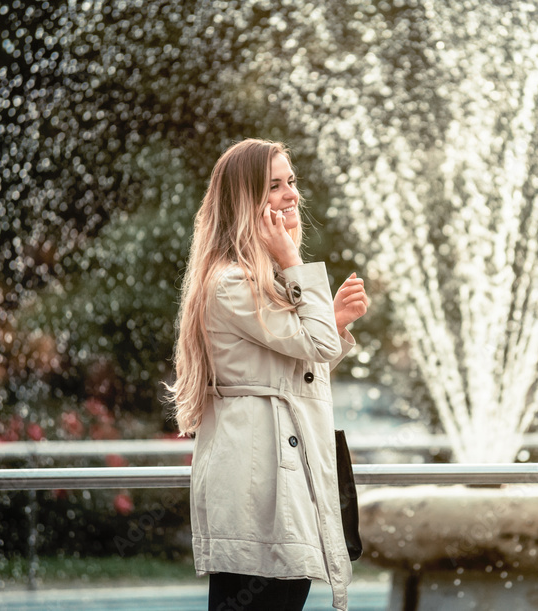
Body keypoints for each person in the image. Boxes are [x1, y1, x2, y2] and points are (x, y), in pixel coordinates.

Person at [166, 139, 369, 610]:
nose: (291, 195)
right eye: (274, 186)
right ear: (245, 203)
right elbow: (312, 348)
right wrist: (294, 263)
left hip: (278, 482)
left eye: (291, 182)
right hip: (258, 487)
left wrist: (333, 323)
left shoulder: (261, 282)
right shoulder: (232, 282)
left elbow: (295, 370)